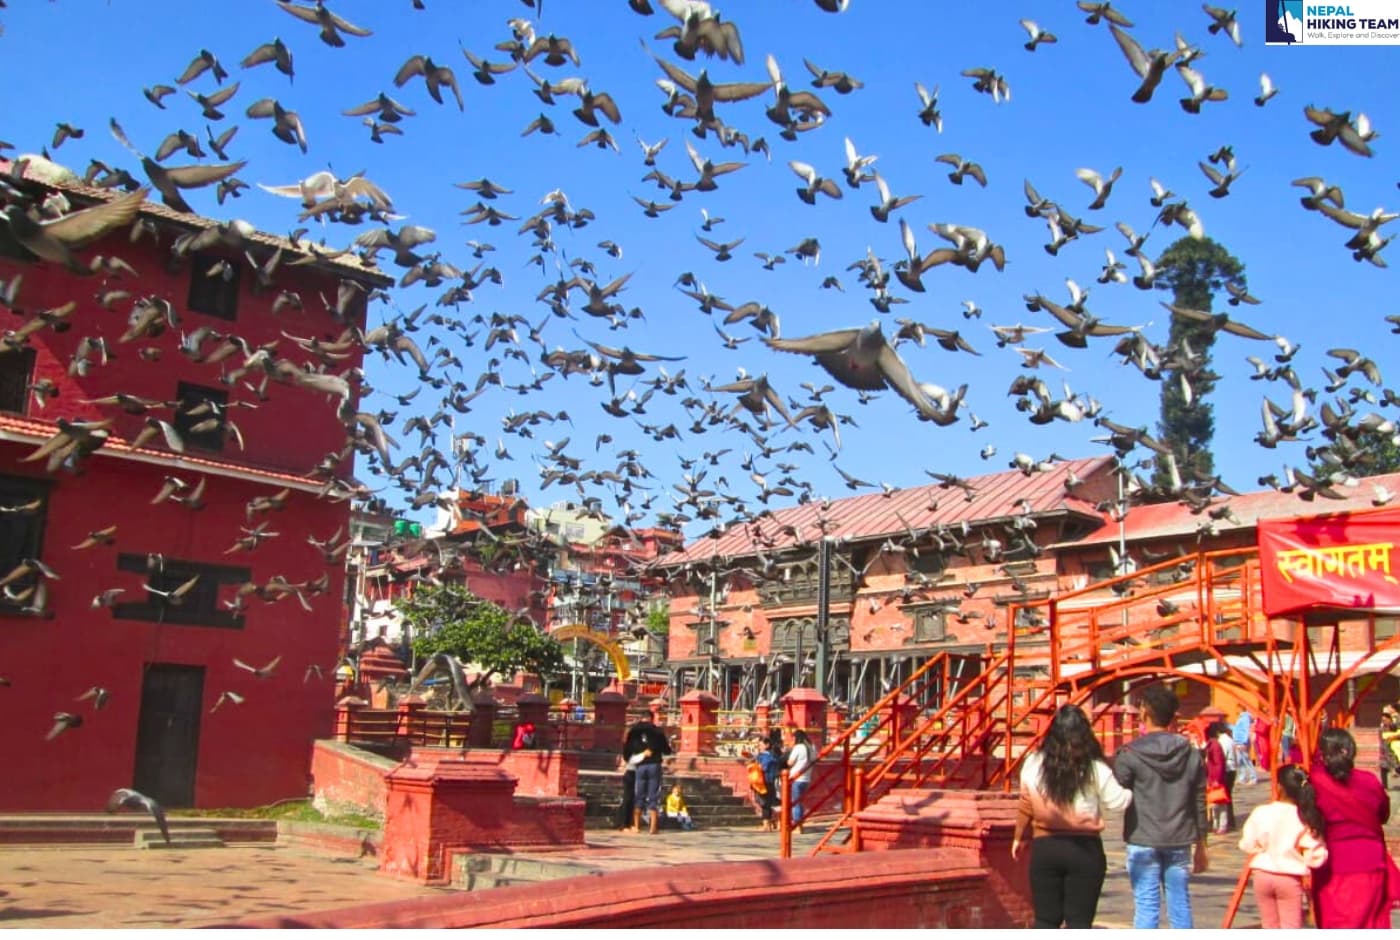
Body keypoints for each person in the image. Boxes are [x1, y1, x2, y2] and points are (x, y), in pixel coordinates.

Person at [1010, 704, 1132, 928]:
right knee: (1079, 923)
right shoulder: (1095, 768)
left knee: (1046, 920)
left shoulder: (1033, 763)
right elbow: (1118, 802)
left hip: (1045, 847)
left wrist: (1018, 837)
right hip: (1085, 850)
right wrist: (1132, 789)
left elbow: (1026, 803)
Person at [1112, 684, 1210, 929]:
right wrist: (1202, 843)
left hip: (1142, 837)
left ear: (1144, 713)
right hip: (1180, 838)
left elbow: (1117, 791)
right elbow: (1199, 799)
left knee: (1146, 905)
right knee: (1180, 905)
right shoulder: (1190, 753)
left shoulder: (1129, 753)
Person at [1308, 727, 1398, 928]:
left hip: (1334, 863)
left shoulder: (1315, 781)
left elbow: (1306, 817)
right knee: (1371, 923)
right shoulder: (1369, 780)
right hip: (1371, 859)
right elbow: (1383, 813)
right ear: (1351, 750)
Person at [1238, 764, 1328, 929]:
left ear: (1278, 787)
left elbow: (1248, 843)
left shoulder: (1261, 812)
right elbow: (1315, 856)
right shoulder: (1304, 817)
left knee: (1269, 924)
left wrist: (1261, 849)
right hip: (1289, 876)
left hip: (1262, 874)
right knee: (1291, 925)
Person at [623, 717, 672, 835]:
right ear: (652, 718)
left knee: (639, 794)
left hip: (640, 766)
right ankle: (653, 828)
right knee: (653, 796)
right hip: (654, 765)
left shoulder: (633, 732)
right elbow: (667, 750)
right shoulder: (657, 732)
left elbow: (627, 751)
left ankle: (637, 826)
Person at [1203, 720, 1232, 835]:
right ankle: (1216, 824)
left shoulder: (1214, 745)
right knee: (1215, 803)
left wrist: (1216, 779)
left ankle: (1222, 825)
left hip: (1216, 778)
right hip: (1213, 777)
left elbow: (1219, 763)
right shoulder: (1212, 744)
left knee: (1220, 803)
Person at [785, 728, 816, 833]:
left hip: (796, 777)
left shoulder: (798, 747)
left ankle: (797, 825)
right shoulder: (812, 747)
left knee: (795, 802)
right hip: (806, 778)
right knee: (800, 802)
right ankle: (800, 824)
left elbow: (790, 762)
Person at [1233, 706, 1259, 786]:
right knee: (1241, 760)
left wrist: (1243, 742)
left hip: (1242, 742)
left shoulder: (1244, 718)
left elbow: (1245, 730)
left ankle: (1253, 778)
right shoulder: (1242, 718)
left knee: (1246, 760)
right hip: (1239, 741)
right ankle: (1242, 778)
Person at [1379, 705, 1400, 790]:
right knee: (1383, 768)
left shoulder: (1394, 726)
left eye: (1385, 720)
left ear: (1390, 719)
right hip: (1385, 752)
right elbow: (1382, 739)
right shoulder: (1382, 728)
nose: (1383, 721)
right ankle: (1385, 787)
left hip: (1395, 751)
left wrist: (1392, 737)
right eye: (1382, 720)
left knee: (1397, 768)